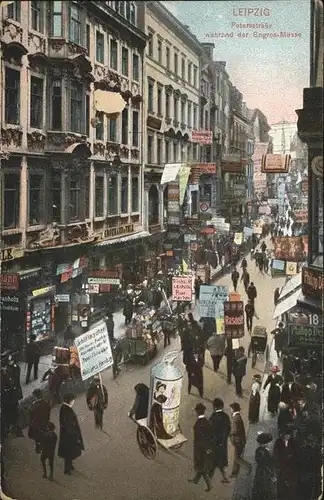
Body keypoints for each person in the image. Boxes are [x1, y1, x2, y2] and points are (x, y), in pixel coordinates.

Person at [58, 393, 84, 475]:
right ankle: (67, 469)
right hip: (69, 436)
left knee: (69, 452)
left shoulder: (64, 408)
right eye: (73, 400)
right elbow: (68, 424)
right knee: (69, 453)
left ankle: (70, 466)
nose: (73, 402)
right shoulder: (66, 410)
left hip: (67, 435)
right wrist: (75, 434)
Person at [188, 403, 212, 492]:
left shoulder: (198, 424)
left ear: (197, 412)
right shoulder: (207, 422)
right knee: (200, 466)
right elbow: (210, 436)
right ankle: (196, 480)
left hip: (200, 449)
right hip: (205, 448)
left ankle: (209, 485)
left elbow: (199, 439)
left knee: (201, 467)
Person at [209, 398, 231, 483]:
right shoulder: (226, 416)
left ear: (214, 407)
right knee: (220, 463)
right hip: (222, 443)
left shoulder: (213, 417)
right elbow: (228, 429)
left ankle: (209, 480)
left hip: (214, 444)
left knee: (212, 463)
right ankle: (225, 478)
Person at [273, 428, 298, 500]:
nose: (287, 437)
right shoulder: (278, 442)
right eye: (286, 435)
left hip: (290, 468)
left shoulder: (292, 442)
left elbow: (295, 452)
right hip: (281, 467)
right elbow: (276, 455)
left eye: (289, 435)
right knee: (281, 485)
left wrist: (291, 455)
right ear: (283, 435)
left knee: (290, 486)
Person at [251, 432, 275, 500]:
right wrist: (271, 475)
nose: (271, 443)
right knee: (264, 489)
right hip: (263, 474)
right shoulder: (261, 452)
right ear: (265, 443)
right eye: (270, 442)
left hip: (263, 473)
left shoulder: (261, 450)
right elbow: (264, 465)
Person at [229, 402, 250, 477]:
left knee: (237, 458)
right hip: (240, 441)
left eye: (231, 409)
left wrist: (229, 433)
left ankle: (248, 466)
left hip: (238, 442)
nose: (230, 410)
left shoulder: (236, 418)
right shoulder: (237, 416)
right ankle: (234, 473)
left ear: (233, 409)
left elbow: (235, 431)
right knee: (236, 457)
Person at [28, 389, 51, 454]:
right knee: (44, 433)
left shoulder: (33, 406)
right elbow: (48, 412)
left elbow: (30, 417)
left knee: (37, 437)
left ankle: (39, 447)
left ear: (35, 396)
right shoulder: (46, 402)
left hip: (36, 425)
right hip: (44, 422)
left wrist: (31, 425)